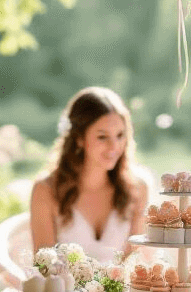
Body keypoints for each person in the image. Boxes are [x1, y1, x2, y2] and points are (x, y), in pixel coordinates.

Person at [30, 87, 148, 264]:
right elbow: (44, 266)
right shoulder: (46, 191)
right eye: (102, 137)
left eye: (120, 135)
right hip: (62, 291)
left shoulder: (137, 189)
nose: (114, 147)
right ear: (79, 138)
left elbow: (135, 263)